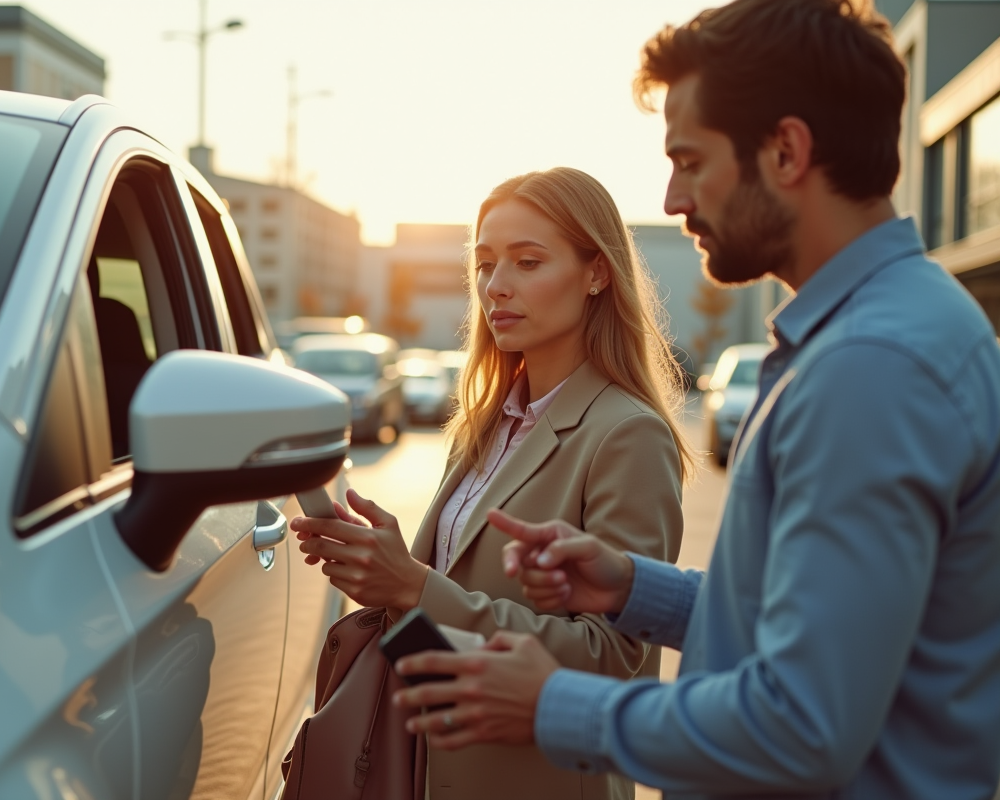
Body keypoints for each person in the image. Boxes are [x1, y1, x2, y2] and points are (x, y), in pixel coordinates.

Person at [392, 1, 1000, 798]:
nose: (673, 200)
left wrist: (554, 704)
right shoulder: (888, 326)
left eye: (690, 160)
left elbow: (802, 724)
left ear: (786, 151)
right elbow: (829, 617)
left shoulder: (869, 366)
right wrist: (637, 588)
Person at [289, 166, 693, 800]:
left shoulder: (626, 434)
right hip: (426, 769)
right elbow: (436, 632)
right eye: (484, 264)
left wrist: (415, 585)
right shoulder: (485, 423)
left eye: (527, 263)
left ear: (597, 273)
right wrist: (383, 576)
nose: (495, 287)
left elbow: (611, 658)